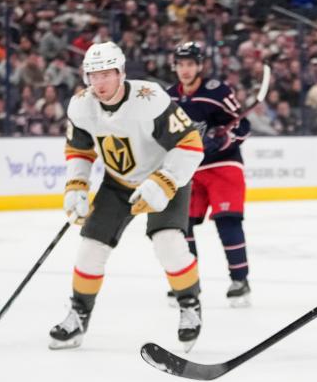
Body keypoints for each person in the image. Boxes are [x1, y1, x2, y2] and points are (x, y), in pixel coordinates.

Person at [51, 42, 205, 351]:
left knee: (169, 244)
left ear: (121, 73)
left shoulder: (150, 100)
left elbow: (190, 145)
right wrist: (77, 185)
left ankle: (189, 304)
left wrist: (165, 181)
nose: (99, 83)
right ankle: (79, 313)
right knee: (90, 248)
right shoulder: (81, 105)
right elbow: (79, 150)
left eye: (106, 74)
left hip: (166, 176)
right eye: (92, 75)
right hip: (118, 182)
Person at [166, 42, 252, 306]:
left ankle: (240, 281)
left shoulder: (217, 92)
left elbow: (243, 124)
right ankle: (188, 283)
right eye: (181, 65)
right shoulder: (169, 98)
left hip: (223, 167)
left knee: (228, 221)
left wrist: (225, 141)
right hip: (189, 169)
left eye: (190, 64)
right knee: (183, 227)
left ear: (199, 66)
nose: (186, 69)